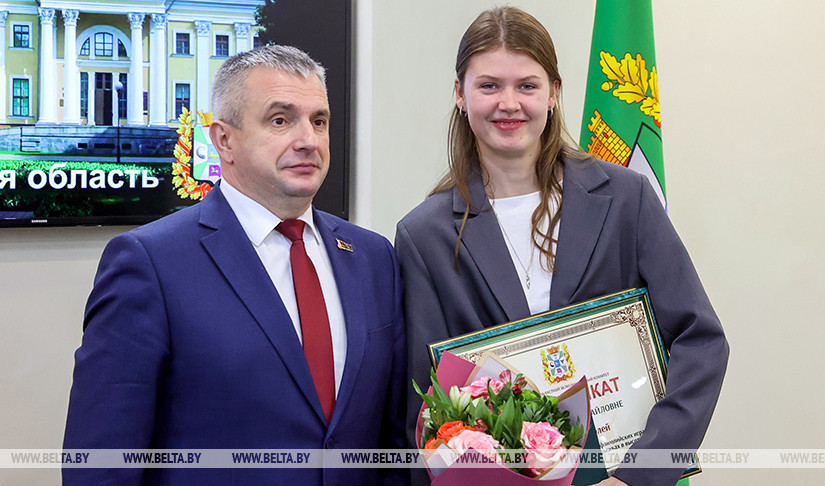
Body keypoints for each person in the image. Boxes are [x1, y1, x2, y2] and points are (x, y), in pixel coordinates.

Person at [396, 7, 728, 486]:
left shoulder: (626, 198)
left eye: (527, 86)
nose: (509, 103)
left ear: (553, 92)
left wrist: (641, 473)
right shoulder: (424, 235)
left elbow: (702, 339)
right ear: (460, 94)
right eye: (489, 85)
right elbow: (428, 404)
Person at [63, 45, 408, 486]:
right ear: (224, 140)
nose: (308, 139)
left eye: (319, 121)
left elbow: (393, 442)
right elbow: (101, 464)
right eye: (280, 120)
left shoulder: (372, 257)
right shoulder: (150, 263)